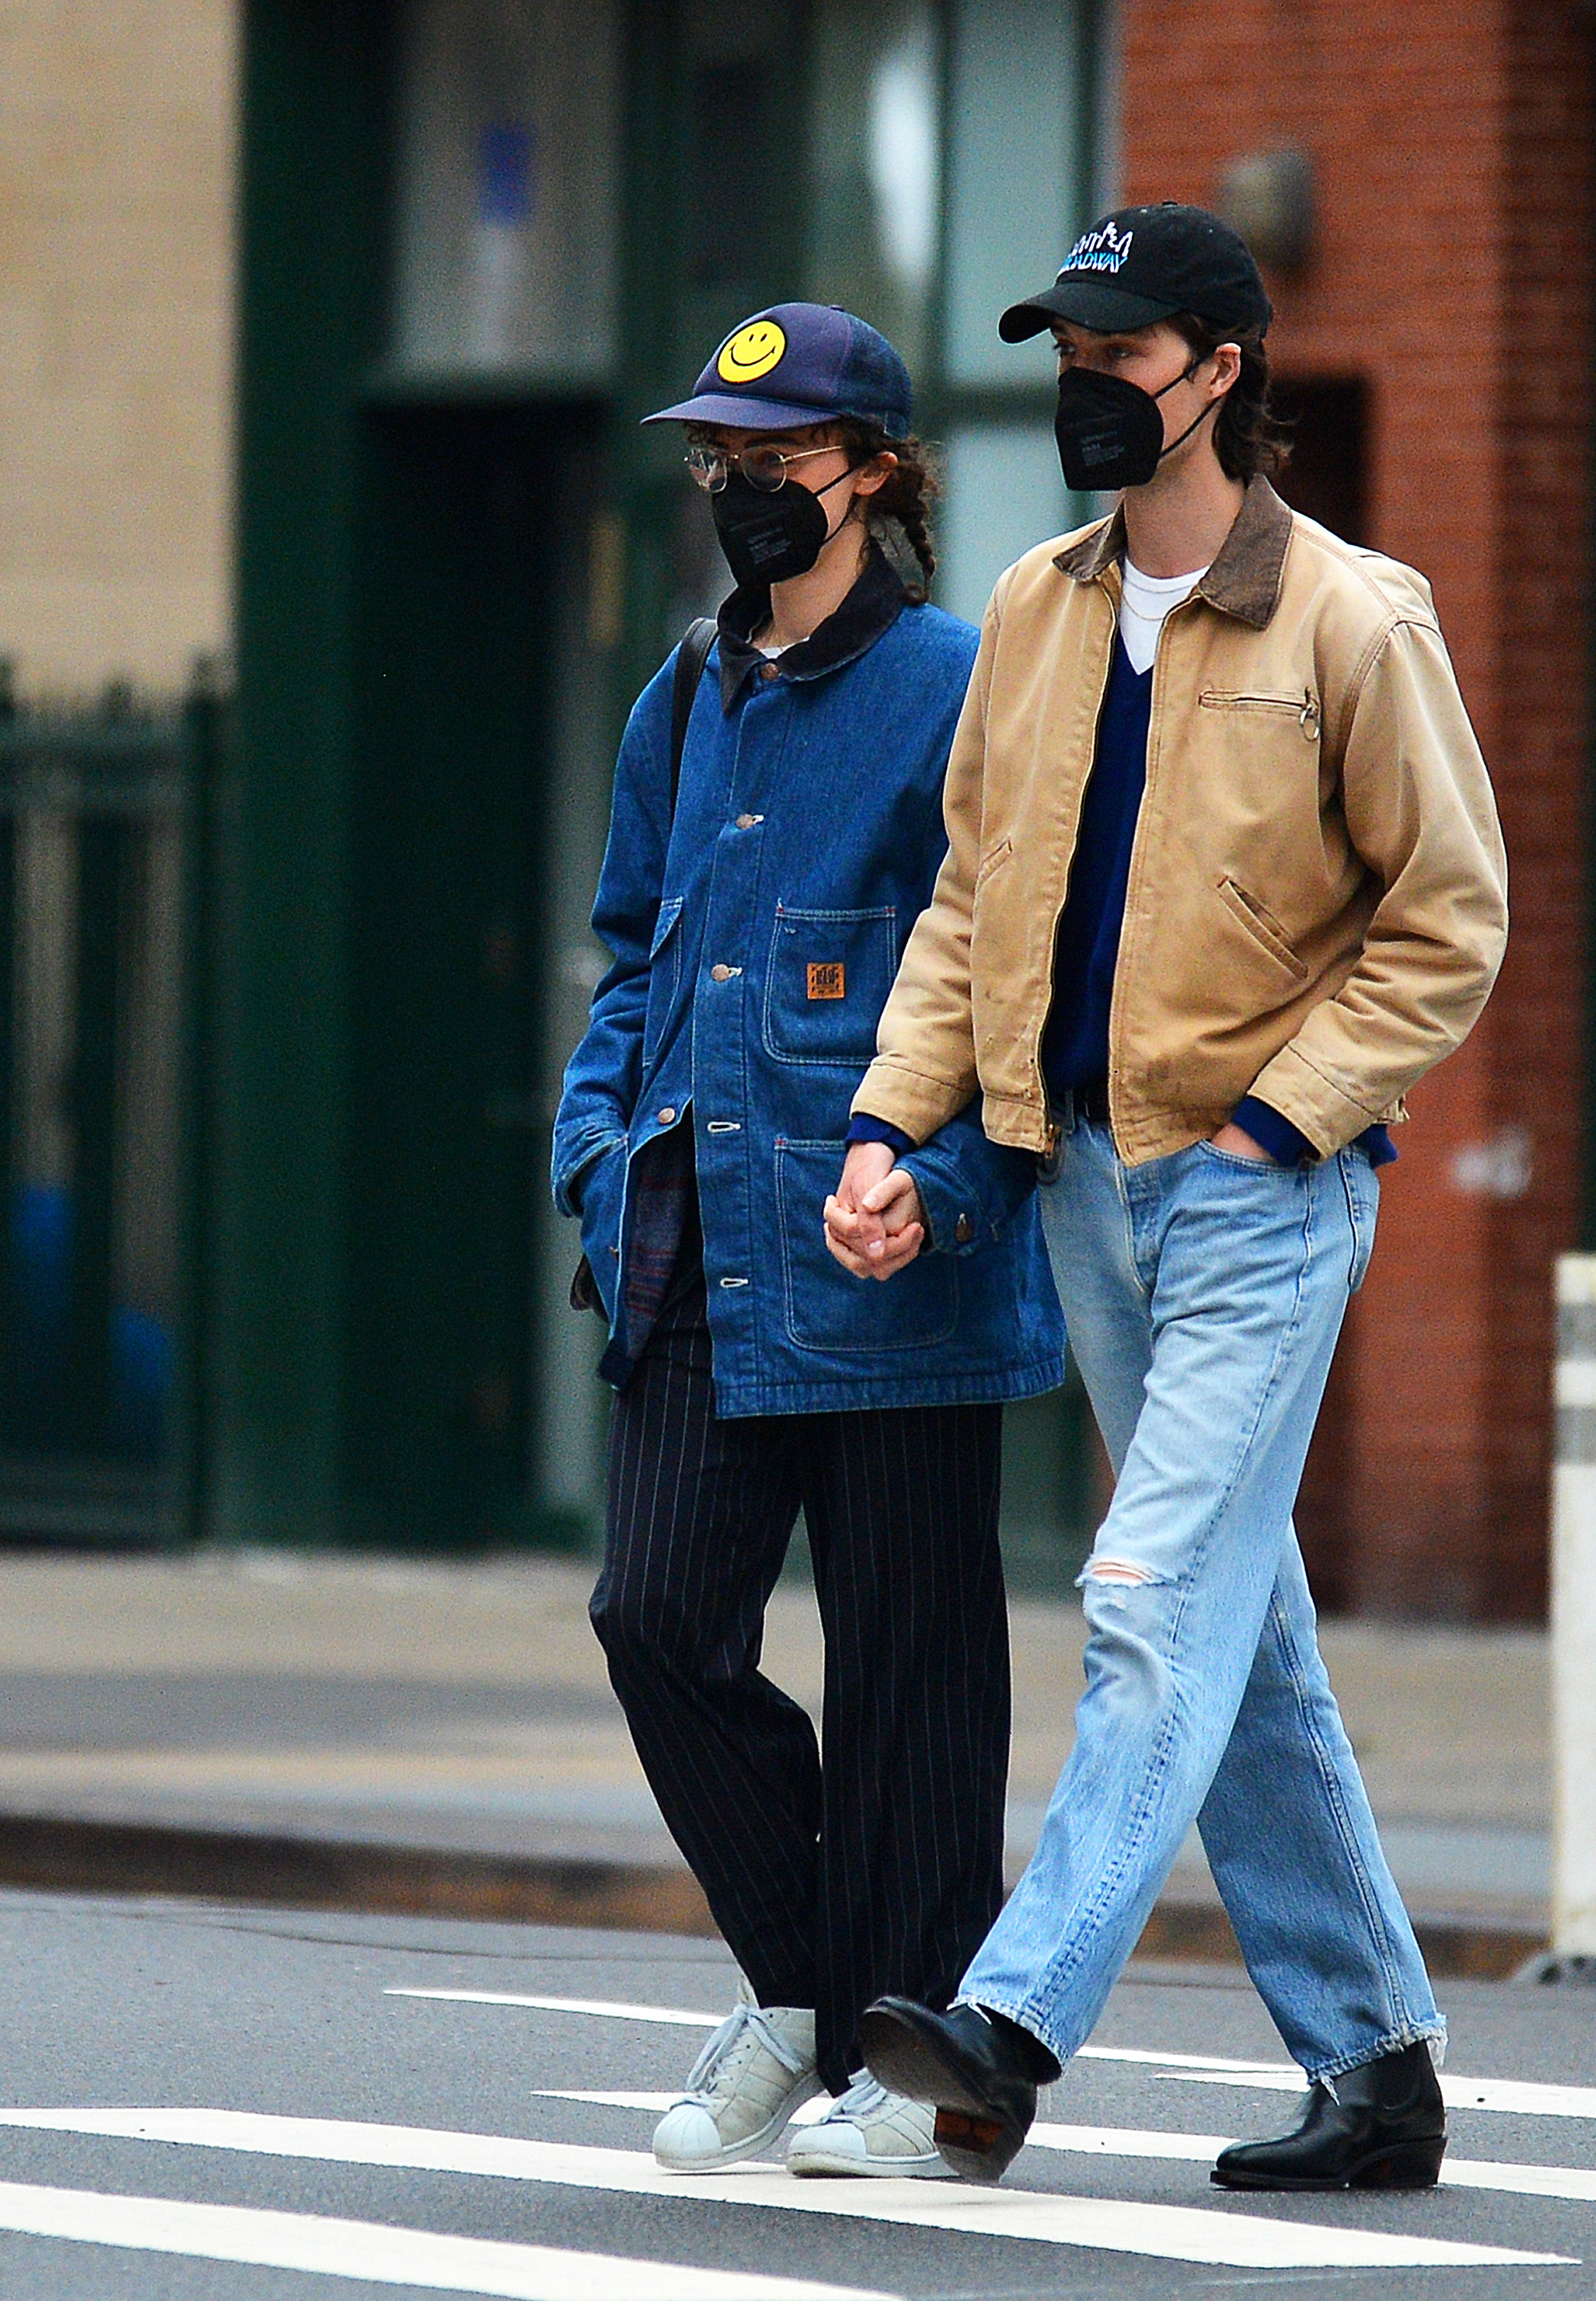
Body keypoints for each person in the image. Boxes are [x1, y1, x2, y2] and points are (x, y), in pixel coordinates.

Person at [828, 205, 1508, 2190]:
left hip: (1255, 1202)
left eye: (1120, 355)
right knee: (1241, 1633)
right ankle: (1376, 2069)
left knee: (1143, 1602)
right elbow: (971, 901)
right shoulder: (1040, 608)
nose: (1083, 389)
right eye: (1067, 351)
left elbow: (1447, 924)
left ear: (1221, 370)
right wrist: (892, 1126)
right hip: (1078, 1196)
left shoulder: (1352, 620)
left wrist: (1281, 1126)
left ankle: (1010, 2024)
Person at [553, 302, 1062, 2181]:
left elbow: (1016, 993)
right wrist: (594, 1150)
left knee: (913, 1667)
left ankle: (898, 2057)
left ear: (874, 474)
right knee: (653, 1614)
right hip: (700, 1244)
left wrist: (945, 1194)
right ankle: (804, 1991)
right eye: (720, 463)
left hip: (894, 1258)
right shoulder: (682, 698)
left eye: (776, 461)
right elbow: (631, 960)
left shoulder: (960, 686)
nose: (741, 492)